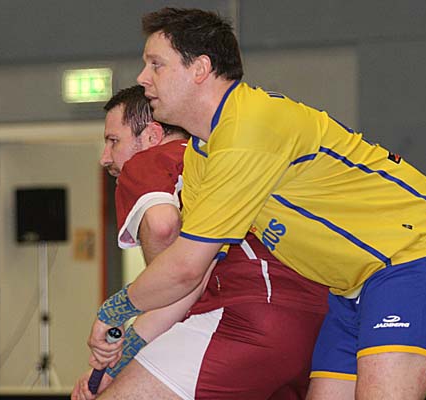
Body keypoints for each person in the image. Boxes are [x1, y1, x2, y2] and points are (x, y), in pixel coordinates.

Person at [89, 8, 426, 400]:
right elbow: (194, 274)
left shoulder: (250, 127)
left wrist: (115, 310)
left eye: (156, 64)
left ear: (200, 68)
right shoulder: (202, 153)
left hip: (416, 257)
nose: (143, 77)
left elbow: (185, 268)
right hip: (349, 286)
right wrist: (124, 353)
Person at [74, 85, 328, 400]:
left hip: (246, 316)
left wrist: (116, 346)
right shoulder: (221, 155)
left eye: (114, 141)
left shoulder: (148, 162)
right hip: (318, 320)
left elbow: (167, 238)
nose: (105, 157)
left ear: (152, 136)